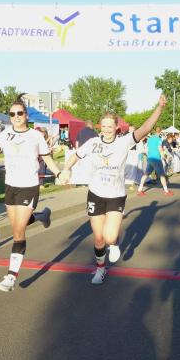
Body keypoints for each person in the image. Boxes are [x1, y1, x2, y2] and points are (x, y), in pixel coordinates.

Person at [60, 95, 166, 285]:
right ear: (100, 127)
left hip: (116, 196)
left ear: (116, 127)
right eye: (104, 126)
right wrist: (66, 169)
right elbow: (75, 156)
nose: (107, 129)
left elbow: (145, 128)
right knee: (99, 239)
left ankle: (114, 243)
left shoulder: (124, 142)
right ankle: (100, 269)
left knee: (109, 237)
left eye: (110, 126)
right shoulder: (93, 143)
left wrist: (159, 108)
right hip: (95, 194)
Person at [0, 94, 62, 292]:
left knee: (18, 232)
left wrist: (58, 173)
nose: (16, 116)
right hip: (11, 186)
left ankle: (11, 277)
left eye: (19, 113)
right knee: (17, 226)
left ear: (26, 115)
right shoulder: (4, 134)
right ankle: (41, 216)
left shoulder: (36, 136)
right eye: (12, 114)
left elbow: (47, 158)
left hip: (29, 186)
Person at [137, 127, 173, 196]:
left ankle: (139, 190)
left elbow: (147, 149)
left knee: (146, 174)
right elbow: (160, 149)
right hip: (156, 159)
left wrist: (149, 156)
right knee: (162, 175)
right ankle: (166, 191)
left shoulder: (149, 139)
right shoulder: (158, 139)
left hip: (150, 158)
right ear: (160, 132)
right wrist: (164, 157)